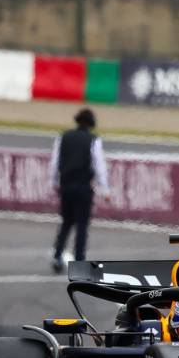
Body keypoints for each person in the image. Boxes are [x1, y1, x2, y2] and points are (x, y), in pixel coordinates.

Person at [49, 108, 109, 273]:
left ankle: (57, 255)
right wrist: (105, 189)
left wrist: (54, 182)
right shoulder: (93, 140)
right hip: (83, 186)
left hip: (66, 185)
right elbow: (99, 166)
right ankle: (79, 261)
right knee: (82, 225)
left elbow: (54, 162)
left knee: (66, 222)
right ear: (91, 123)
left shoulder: (63, 137)